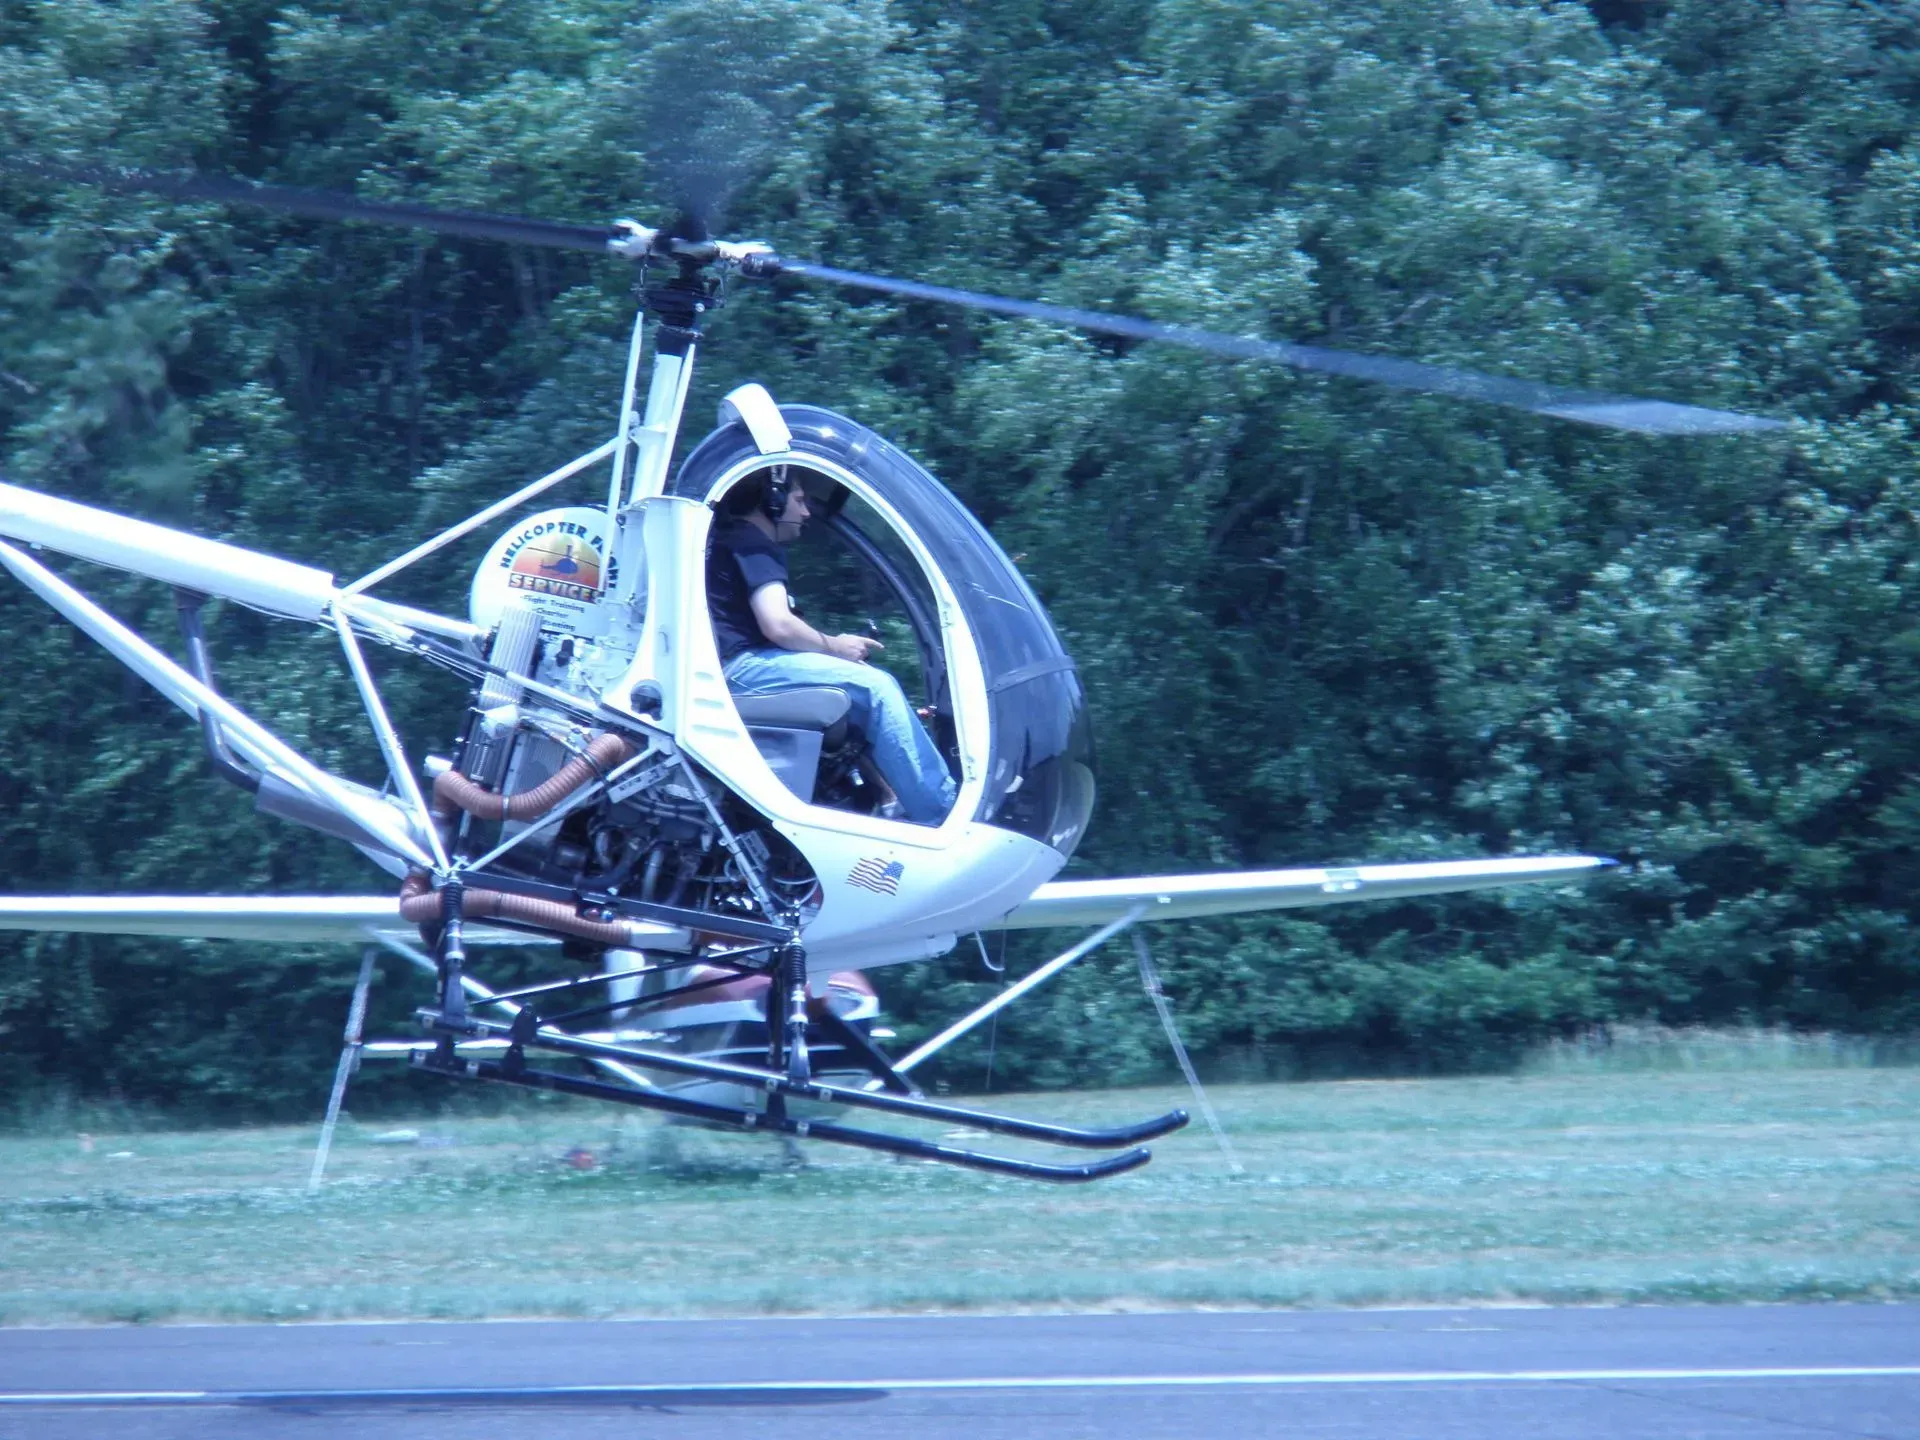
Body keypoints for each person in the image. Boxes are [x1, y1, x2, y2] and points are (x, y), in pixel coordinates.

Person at [706, 468, 957, 824]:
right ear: (772, 500)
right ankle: (943, 815)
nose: (806, 512)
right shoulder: (753, 542)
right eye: (799, 500)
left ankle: (885, 802)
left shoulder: (728, 542)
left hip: (737, 666)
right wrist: (836, 648)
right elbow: (778, 624)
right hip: (742, 668)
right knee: (876, 688)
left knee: (860, 691)